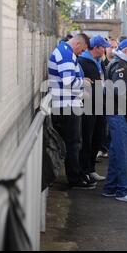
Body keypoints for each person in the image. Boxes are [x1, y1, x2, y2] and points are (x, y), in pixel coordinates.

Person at [48, 33, 96, 189]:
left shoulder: (65, 51)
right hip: (67, 105)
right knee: (73, 143)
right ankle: (75, 178)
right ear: (77, 44)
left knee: (74, 142)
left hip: (66, 104)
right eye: (81, 50)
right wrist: (84, 84)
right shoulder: (66, 54)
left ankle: (76, 175)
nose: (81, 53)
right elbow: (69, 81)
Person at [102, 39, 127, 203]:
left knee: (117, 152)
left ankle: (111, 188)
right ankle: (123, 190)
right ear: (125, 51)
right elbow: (122, 91)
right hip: (120, 114)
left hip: (117, 113)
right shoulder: (121, 66)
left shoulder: (121, 64)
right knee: (125, 153)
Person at [78, 36, 111, 182]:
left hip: (99, 105)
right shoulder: (82, 62)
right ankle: (84, 169)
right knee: (87, 138)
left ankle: (91, 169)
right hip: (88, 107)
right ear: (96, 47)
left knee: (98, 137)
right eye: (103, 47)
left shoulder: (99, 62)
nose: (105, 50)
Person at [98, 38, 119, 158]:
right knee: (102, 125)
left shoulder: (119, 64)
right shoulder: (101, 63)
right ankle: (102, 147)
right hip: (101, 99)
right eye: (111, 47)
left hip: (113, 100)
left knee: (112, 125)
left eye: (115, 47)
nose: (113, 49)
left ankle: (109, 147)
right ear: (105, 49)